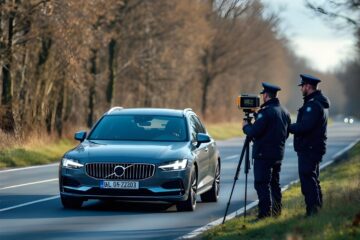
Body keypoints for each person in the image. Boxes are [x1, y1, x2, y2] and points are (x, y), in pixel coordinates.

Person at [243, 82, 291, 219]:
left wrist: (246, 126)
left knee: (261, 184)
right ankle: (276, 212)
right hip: (278, 154)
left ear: (265, 95)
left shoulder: (266, 112)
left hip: (263, 155)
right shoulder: (284, 111)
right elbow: (286, 134)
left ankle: (264, 214)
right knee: (274, 183)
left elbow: (254, 132)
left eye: (263, 94)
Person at [289, 74, 330, 216]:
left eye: (302, 86)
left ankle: (312, 212)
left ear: (308, 86)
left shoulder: (312, 105)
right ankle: (317, 210)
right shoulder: (317, 102)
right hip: (313, 147)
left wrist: (289, 127)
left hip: (309, 148)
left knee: (308, 180)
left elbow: (305, 126)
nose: (301, 89)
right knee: (312, 179)